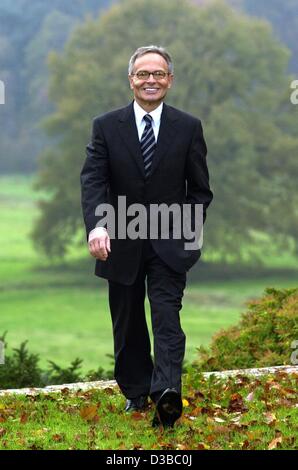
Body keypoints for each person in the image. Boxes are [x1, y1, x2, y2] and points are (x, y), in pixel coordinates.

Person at [80, 45, 213, 428]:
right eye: (143, 74)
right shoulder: (106, 126)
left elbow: (200, 190)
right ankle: (136, 392)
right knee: (128, 321)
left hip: (171, 242)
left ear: (169, 80)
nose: (150, 80)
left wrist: (188, 233)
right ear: (131, 80)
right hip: (119, 238)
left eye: (158, 74)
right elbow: (93, 180)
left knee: (167, 316)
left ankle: (167, 394)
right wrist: (98, 225)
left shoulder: (189, 127)